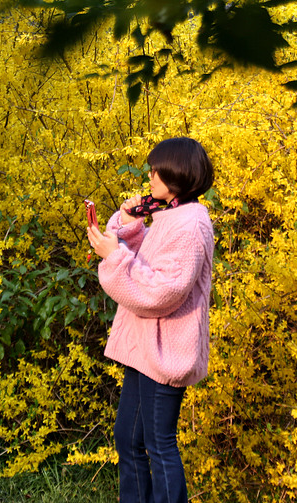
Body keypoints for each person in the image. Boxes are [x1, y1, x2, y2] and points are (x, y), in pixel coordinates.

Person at [86, 137, 215, 503]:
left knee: (159, 445)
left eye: (157, 170)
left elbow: (164, 290)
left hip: (167, 350)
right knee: (128, 438)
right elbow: (150, 262)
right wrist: (129, 226)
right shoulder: (173, 215)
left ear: (178, 174)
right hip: (147, 347)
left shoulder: (191, 224)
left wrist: (114, 256)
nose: (150, 176)